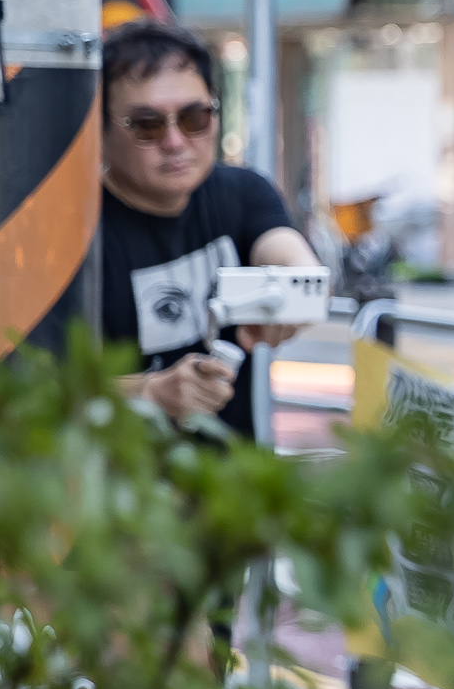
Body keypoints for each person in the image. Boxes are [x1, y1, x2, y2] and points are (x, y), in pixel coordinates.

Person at [93, 21, 314, 434]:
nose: (176, 141)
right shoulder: (75, 236)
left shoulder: (242, 191)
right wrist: (150, 393)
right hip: (115, 490)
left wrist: (291, 297)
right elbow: (40, 389)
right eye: (148, 125)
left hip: (229, 484)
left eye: (195, 117)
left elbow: (291, 258)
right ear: (100, 133)